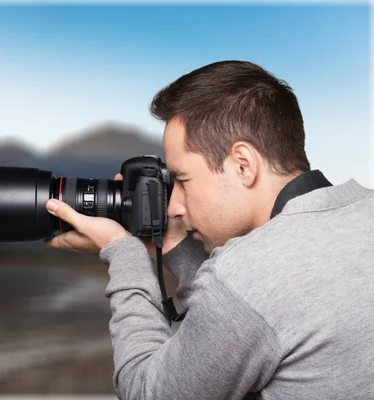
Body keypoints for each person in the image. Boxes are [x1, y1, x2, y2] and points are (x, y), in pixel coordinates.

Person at [43, 60, 374, 399]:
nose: (174, 206)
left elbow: (148, 392)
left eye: (183, 180)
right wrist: (173, 244)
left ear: (242, 164)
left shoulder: (248, 276)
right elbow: (253, 309)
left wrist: (122, 251)